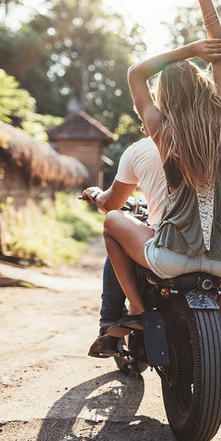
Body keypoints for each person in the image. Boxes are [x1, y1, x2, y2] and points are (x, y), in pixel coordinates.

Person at [94, 0, 221, 340]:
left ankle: (135, 307)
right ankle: (220, 308)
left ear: (165, 98)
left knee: (112, 221)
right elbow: (220, 51)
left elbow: (136, 72)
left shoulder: (163, 132)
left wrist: (186, 51)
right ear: (205, 91)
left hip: (170, 260)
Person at [82, 131, 166, 357]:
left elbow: (111, 203)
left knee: (113, 225)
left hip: (166, 246)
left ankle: (115, 320)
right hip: (209, 244)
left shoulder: (140, 149)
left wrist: (96, 194)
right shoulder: (208, 140)